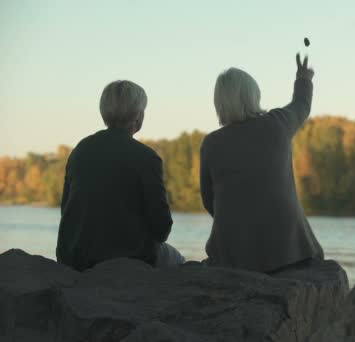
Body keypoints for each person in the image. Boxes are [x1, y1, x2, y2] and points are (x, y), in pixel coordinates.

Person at [200, 54, 324, 272]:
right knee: (316, 259)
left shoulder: (212, 143)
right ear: (253, 95)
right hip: (288, 251)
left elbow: (209, 200)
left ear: (219, 103)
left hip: (231, 254)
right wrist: (303, 79)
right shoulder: (278, 124)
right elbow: (301, 105)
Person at [56, 80, 184, 271]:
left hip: (74, 258)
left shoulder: (80, 150)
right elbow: (161, 227)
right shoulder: (146, 157)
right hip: (127, 260)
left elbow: (66, 209)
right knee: (178, 260)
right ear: (138, 115)